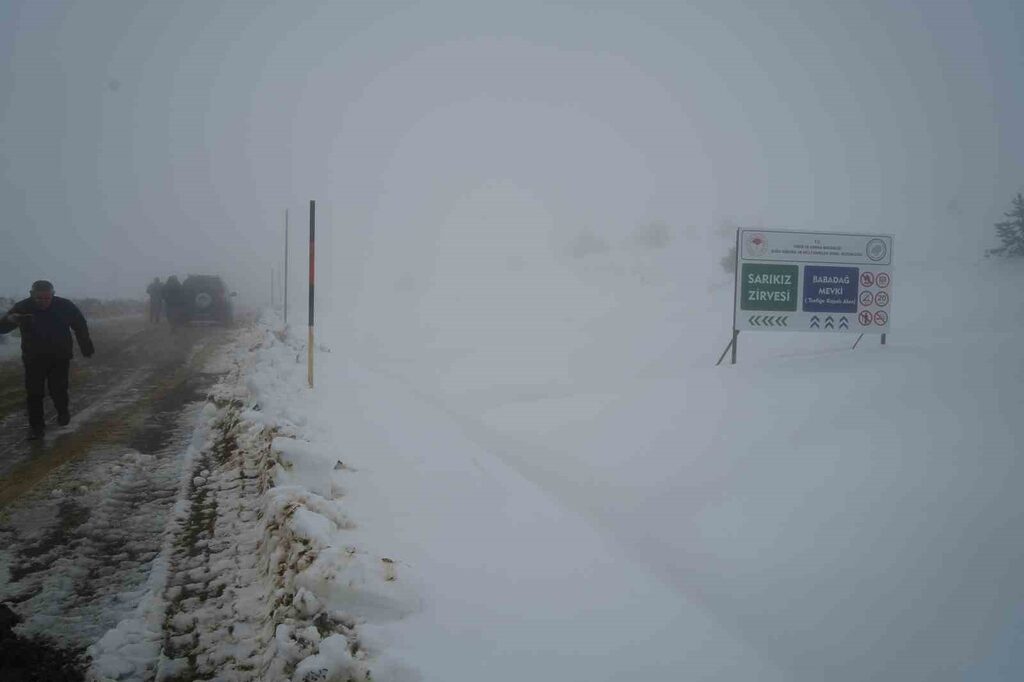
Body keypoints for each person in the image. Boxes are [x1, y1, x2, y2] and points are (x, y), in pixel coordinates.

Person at [0, 280, 94, 440]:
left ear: (53, 294)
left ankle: (63, 411)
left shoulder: (65, 306)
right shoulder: (22, 307)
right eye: (39, 298)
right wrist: (10, 320)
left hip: (60, 356)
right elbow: (2, 328)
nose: (43, 301)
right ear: (32, 295)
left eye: (46, 298)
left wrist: (86, 346)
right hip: (33, 357)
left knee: (58, 388)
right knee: (34, 393)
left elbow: (80, 324)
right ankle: (36, 427)